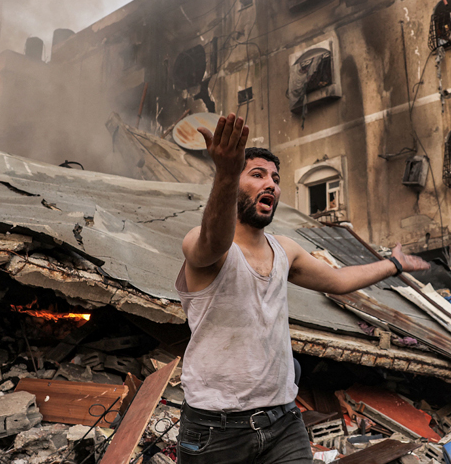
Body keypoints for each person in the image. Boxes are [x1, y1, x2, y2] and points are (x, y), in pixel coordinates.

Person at [175, 114, 429, 463]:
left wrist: (395, 264)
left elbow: (339, 282)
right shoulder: (203, 244)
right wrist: (227, 171)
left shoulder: (285, 249)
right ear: (234, 181)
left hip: (282, 422)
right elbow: (213, 242)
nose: (271, 185)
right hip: (215, 431)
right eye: (257, 175)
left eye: (276, 179)